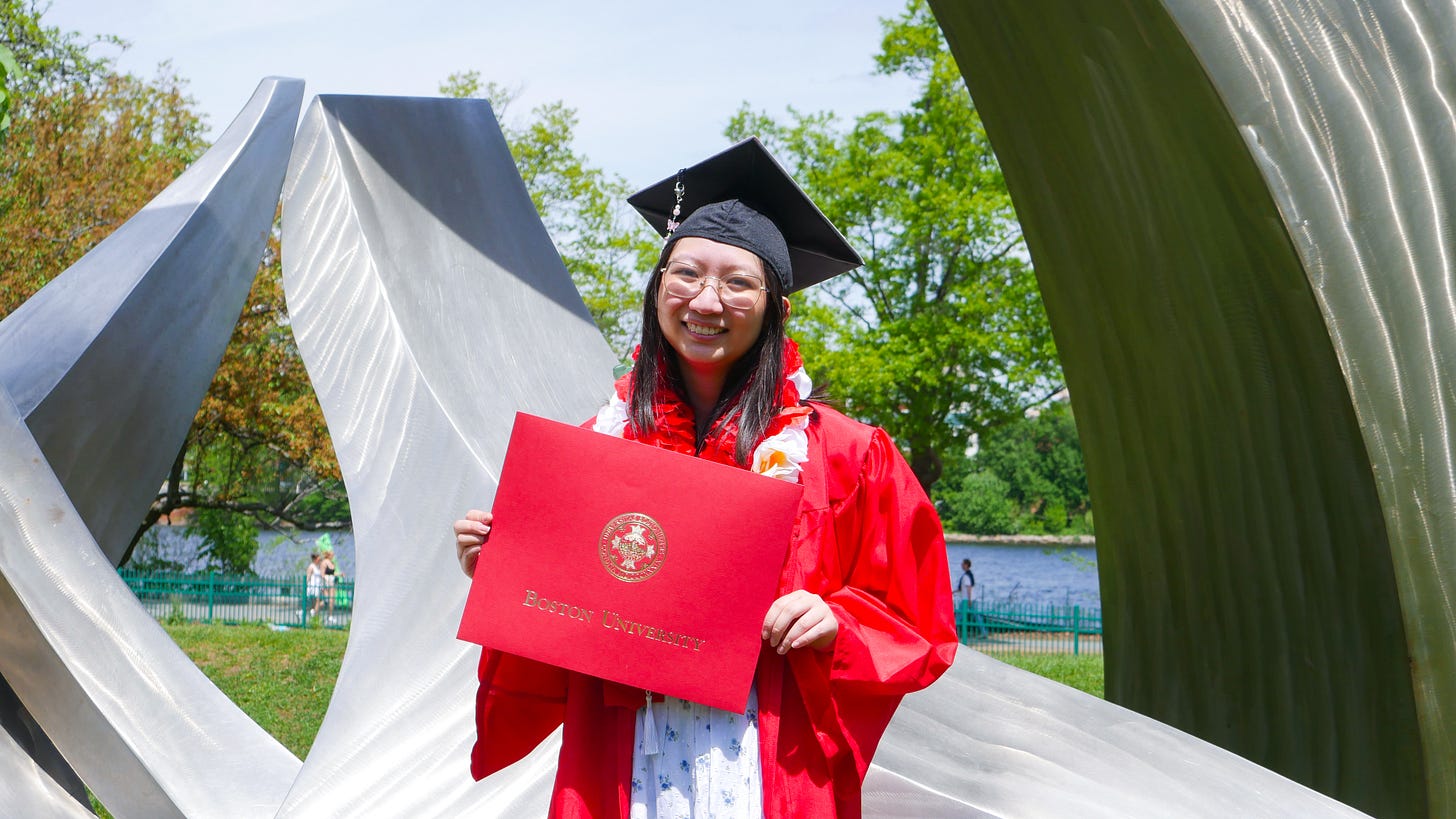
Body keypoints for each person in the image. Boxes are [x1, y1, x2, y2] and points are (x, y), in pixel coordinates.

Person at [453, 137, 956, 818]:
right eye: (686, 273)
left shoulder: (844, 455)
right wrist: (508, 568)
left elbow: (917, 620)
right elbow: (556, 630)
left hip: (763, 762)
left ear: (777, 308)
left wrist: (836, 622)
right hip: (626, 760)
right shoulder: (596, 449)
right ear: (658, 287)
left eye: (738, 282)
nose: (707, 300)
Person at [306, 552, 324, 619]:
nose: (319, 561)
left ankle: (311, 612)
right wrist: (307, 586)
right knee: (317, 601)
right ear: (315, 559)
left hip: (317, 587)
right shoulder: (311, 567)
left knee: (316, 603)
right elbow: (308, 577)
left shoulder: (318, 567)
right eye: (318, 559)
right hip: (313, 587)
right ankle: (315, 616)